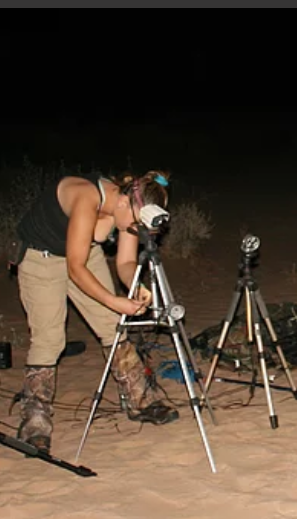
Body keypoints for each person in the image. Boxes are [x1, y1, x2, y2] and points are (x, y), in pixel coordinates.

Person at [12, 169, 177, 452]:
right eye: (137, 224)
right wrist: (115, 301)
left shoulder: (128, 207)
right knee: (49, 338)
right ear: (125, 204)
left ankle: (140, 398)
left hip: (84, 253)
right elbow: (75, 269)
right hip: (41, 257)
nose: (135, 229)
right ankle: (35, 419)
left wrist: (134, 287)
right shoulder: (86, 197)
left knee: (112, 324)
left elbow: (125, 262)